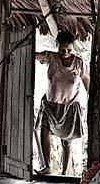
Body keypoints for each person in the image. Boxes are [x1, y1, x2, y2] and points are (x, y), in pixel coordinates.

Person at [34, 30, 89, 175]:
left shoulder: (79, 63)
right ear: (57, 46)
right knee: (44, 131)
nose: (65, 52)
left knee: (67, 141)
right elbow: (32, 54)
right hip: (50, 104)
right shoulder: (51, 58)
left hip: (70, 106)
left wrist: (91, 94)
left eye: (69, 50)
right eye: (62, 49)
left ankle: (65, 172)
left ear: (73, 48)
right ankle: (47, 166)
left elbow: (85, 79)